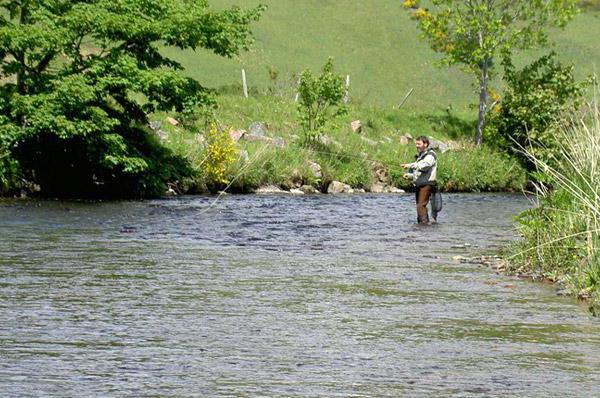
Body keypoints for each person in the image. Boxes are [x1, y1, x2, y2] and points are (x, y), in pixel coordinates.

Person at [402, 135, 437, 224]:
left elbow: (425, 165)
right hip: (420, 184)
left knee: (421, 206)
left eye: (419, 144)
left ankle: (424, 225)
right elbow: (418, 173)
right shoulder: (421, 156)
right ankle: (422, 225)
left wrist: (410, 165)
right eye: (416, 144)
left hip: (426, 184)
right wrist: (410, 176)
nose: (417, 146)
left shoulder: (430, 155)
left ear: (425, 144)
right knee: (419, 206)